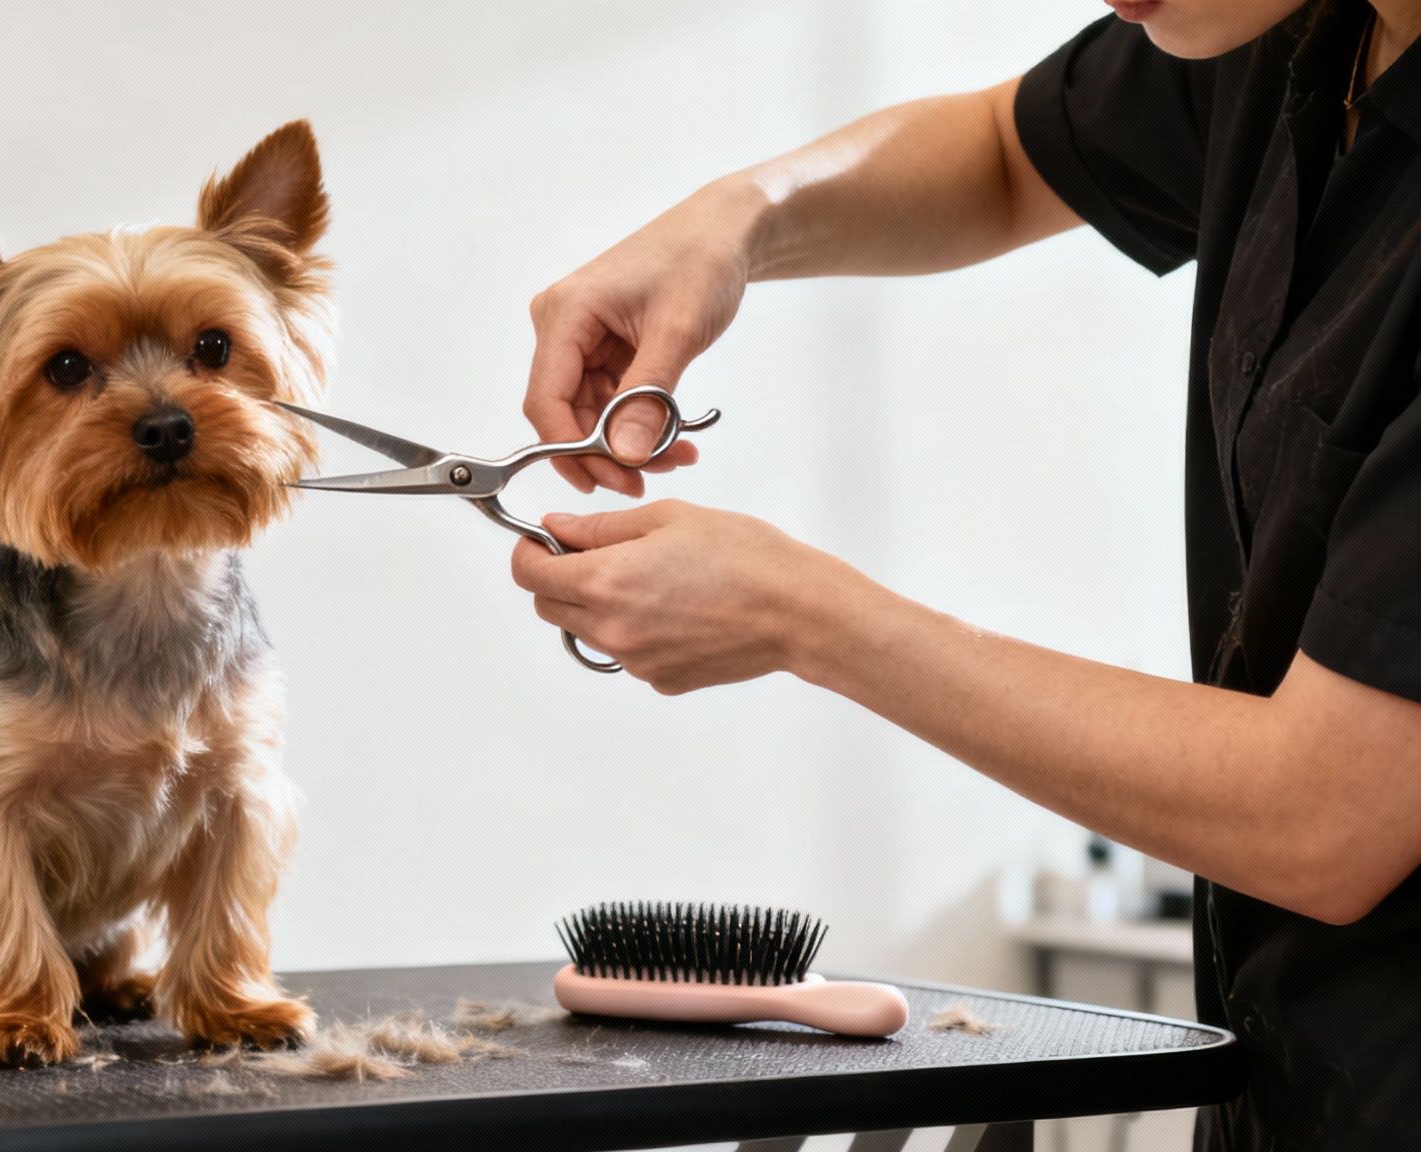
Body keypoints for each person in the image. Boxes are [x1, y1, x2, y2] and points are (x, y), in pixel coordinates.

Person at [508, 0, 1421, 1147]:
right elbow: (1002, 155)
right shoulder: (1297, 31)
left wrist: (805, 617)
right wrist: (736, 221)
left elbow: (1326, 814)